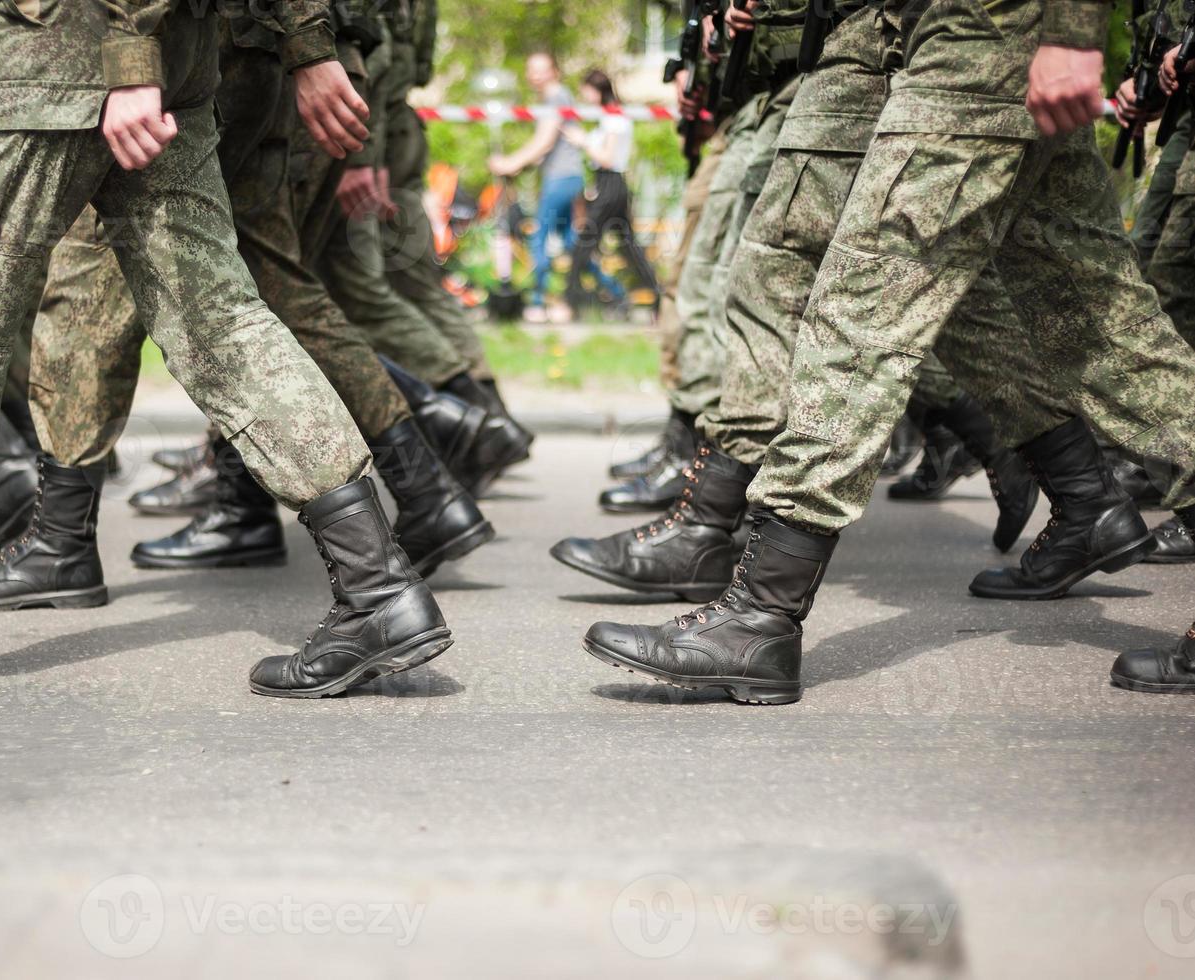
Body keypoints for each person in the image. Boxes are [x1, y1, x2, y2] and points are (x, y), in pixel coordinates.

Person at [0, 0, 455, 702]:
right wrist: (305, 41)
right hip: (175, 54)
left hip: (61, 55)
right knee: (220, 323)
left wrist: (129, 58)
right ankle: (378, 587)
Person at [574, 0, 1195, 703]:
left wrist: (1070, 33)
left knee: (859, 313)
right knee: (1098, 325)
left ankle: (761, 614)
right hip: (926, 33)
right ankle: (754, 600)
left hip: (982, 34)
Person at [489, 51, 585, 323]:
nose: (535, 75)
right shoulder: (554, 98)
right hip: (567, 175)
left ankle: (539, 301)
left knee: (539, 237)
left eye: (541, 69)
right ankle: (612, 294)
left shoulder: (556, 97)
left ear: (555, 70)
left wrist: (509, 163)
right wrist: (519, 165)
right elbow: (547, 149)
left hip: (561, 179)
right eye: (531, 69)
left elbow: (544, 141)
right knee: (570, 241)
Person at [561, 69, 660, 318]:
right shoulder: (607, 117)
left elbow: (607, 158)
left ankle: (571, 301)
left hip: (611, 185)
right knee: (628, 246)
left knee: (585, 242)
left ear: (595, 90)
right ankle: (658, 296)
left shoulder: (614, 118)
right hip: (607, 185)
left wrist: (583, 141)